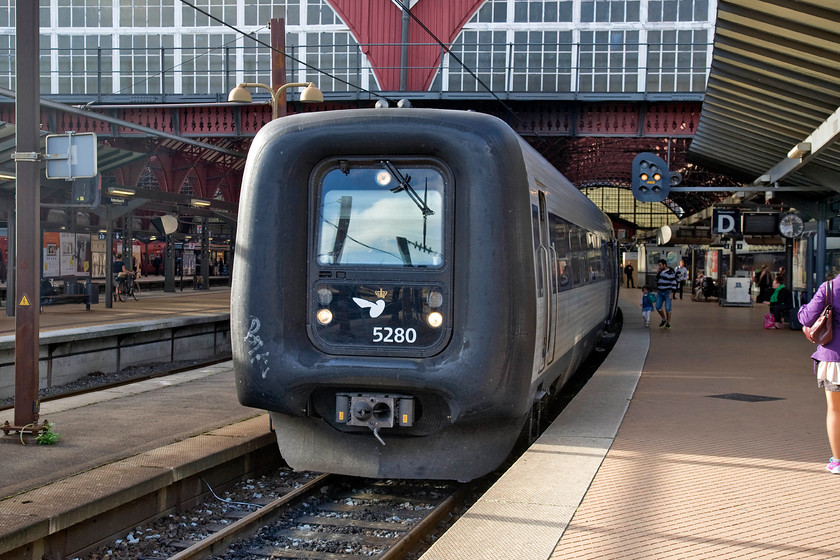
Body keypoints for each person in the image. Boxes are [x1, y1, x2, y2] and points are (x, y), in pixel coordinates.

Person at [797, 278, 840, 474]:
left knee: (835, 410)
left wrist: (803, 307)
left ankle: (838, 461)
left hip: (834, 358)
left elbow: (806, 318)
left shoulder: (830, 287)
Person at [655, 259, 677, 329]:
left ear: (665, 265)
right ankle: (664, 319)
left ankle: (668, 322)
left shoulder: (671, 272)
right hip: (660, 291)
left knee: (668, 308)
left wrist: (672, 292)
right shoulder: (660, 272)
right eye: (659, 265)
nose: (659, 267)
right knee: (658, 306)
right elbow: (657, 280)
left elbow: (674, 283)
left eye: (660, 265)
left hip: (667, 292)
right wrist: (658, 273)